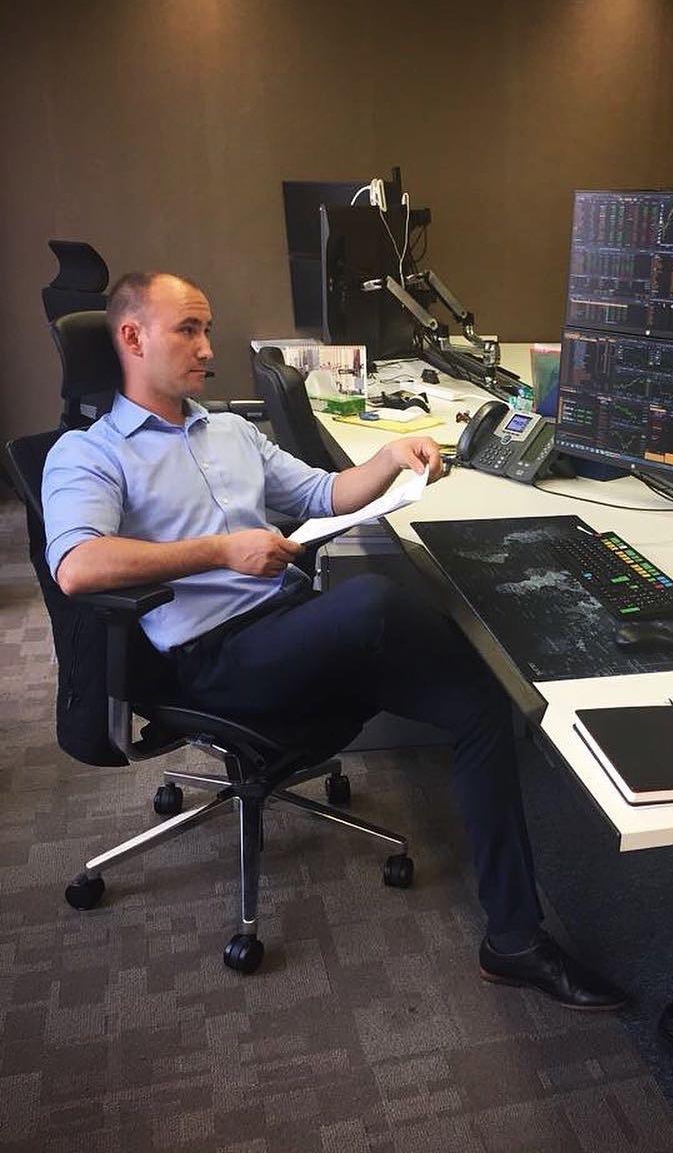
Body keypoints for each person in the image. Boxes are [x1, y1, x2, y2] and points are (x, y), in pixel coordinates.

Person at [42, 271, 627, 1011]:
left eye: (207, 329)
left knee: (480, 702)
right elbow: (78, 565)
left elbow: (322, 494)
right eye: (188, 330)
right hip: (212, 660)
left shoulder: (230, 432)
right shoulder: (89, 454)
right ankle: (521, 639)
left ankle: (513, 941)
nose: (208, 347)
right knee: (377, 599)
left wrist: (390, 461)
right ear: (132, 337)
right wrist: (221, 551)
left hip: (289, 631)